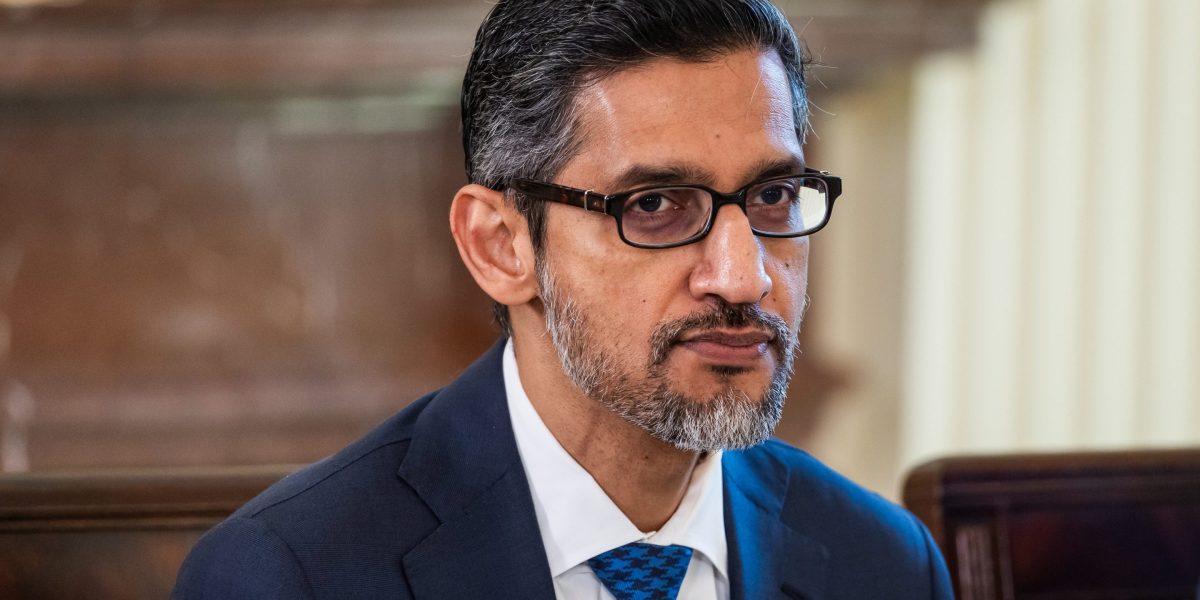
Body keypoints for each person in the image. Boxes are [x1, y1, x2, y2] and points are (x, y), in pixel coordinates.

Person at [173, 0, 953, 598]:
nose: (744, 277)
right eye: (655, 205)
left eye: (774, 195)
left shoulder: (884, 564)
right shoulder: (292, 576)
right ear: (500, 246)